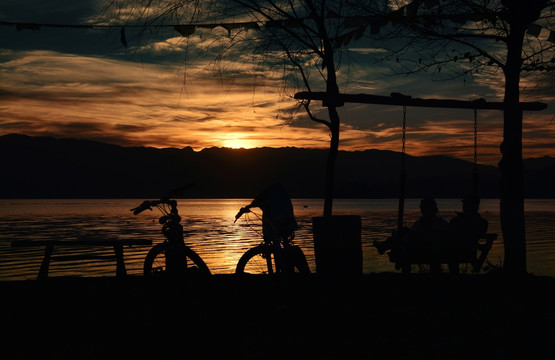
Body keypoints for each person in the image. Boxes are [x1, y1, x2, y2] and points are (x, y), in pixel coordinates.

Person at [402, 197, 449, 273]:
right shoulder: (442, 223)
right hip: (438, 251)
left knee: (403, 240)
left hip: (423, 252)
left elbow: (412, 237)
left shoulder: (420, 224)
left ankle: (385, 246)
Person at [448, 195, 488, 273]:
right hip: (470, 254)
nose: (463, 207)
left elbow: (451, 231)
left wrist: (461, 218)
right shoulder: (482, 223)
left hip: (454, 253)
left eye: (464, 205)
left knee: (451, 253)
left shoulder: (456, 222)